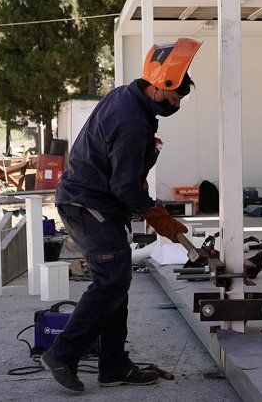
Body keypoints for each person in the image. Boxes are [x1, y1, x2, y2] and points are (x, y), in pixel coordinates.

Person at [41, 38, 202, 393]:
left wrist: (148, 204)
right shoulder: (132, 122)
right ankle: (62, 353)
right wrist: (160, 218)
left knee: (116, 280)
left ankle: (113, 366)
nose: (178, 104)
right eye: (177, 98)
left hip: (96, 200)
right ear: (161, 88)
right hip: (88, 204)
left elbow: (124, 176)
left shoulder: (128, 97)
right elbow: (125, 187)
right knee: (111, 280)